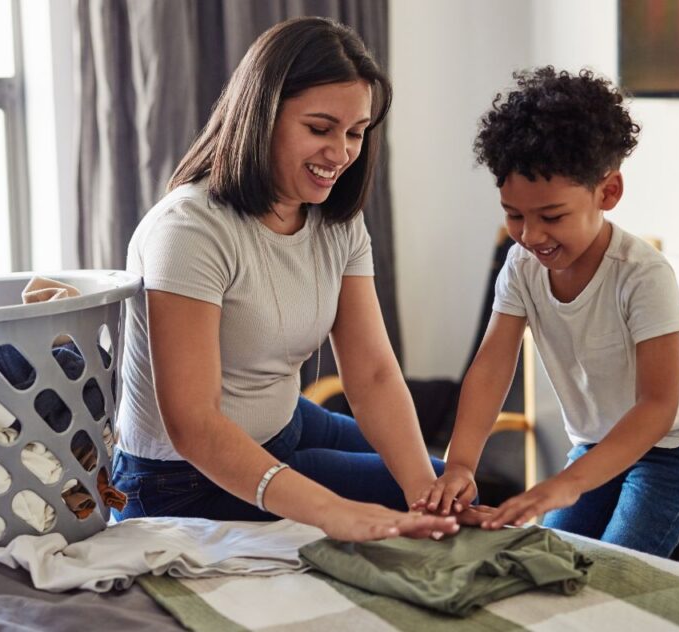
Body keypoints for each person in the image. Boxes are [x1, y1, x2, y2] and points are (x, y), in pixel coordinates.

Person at [112, 17, 467, 542]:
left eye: (355, 133)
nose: (342, 153)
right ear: (261, 117)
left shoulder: (336, 221)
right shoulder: (189, 230)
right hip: (183, 480)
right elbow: (193, 425)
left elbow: (371, 374)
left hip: (286, 425)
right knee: (394, 510)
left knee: (450, 495)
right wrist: (329, 511)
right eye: (320, 129)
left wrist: (423, 492)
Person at [416, 67, 679, 557]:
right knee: (552, 559)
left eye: (552, 216)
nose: (531, 235)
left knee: (610, 570)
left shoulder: (641, 274)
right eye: (514, 214)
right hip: (597, 443)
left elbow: (657, 406)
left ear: (608, 193)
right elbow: (492, 367)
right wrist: (459, 465)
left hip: (677, 447)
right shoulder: (521, 265)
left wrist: (562, 485)